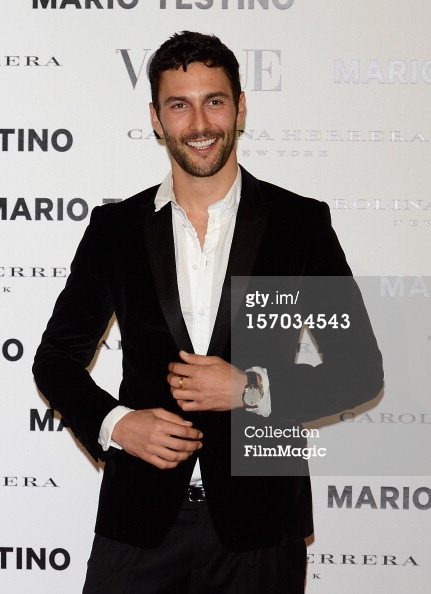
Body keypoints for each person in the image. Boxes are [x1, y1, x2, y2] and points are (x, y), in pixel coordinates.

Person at [33, 31, 383, 594]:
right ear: (156, 118)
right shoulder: (115, 231)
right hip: (138, 521)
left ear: (240, 107)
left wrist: (251, 389)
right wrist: (119, 423)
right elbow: (54, 360)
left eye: (214, 101)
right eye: (180, 105)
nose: (199, 123)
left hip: (261, 526)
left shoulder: (299, 224)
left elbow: (359, 371)